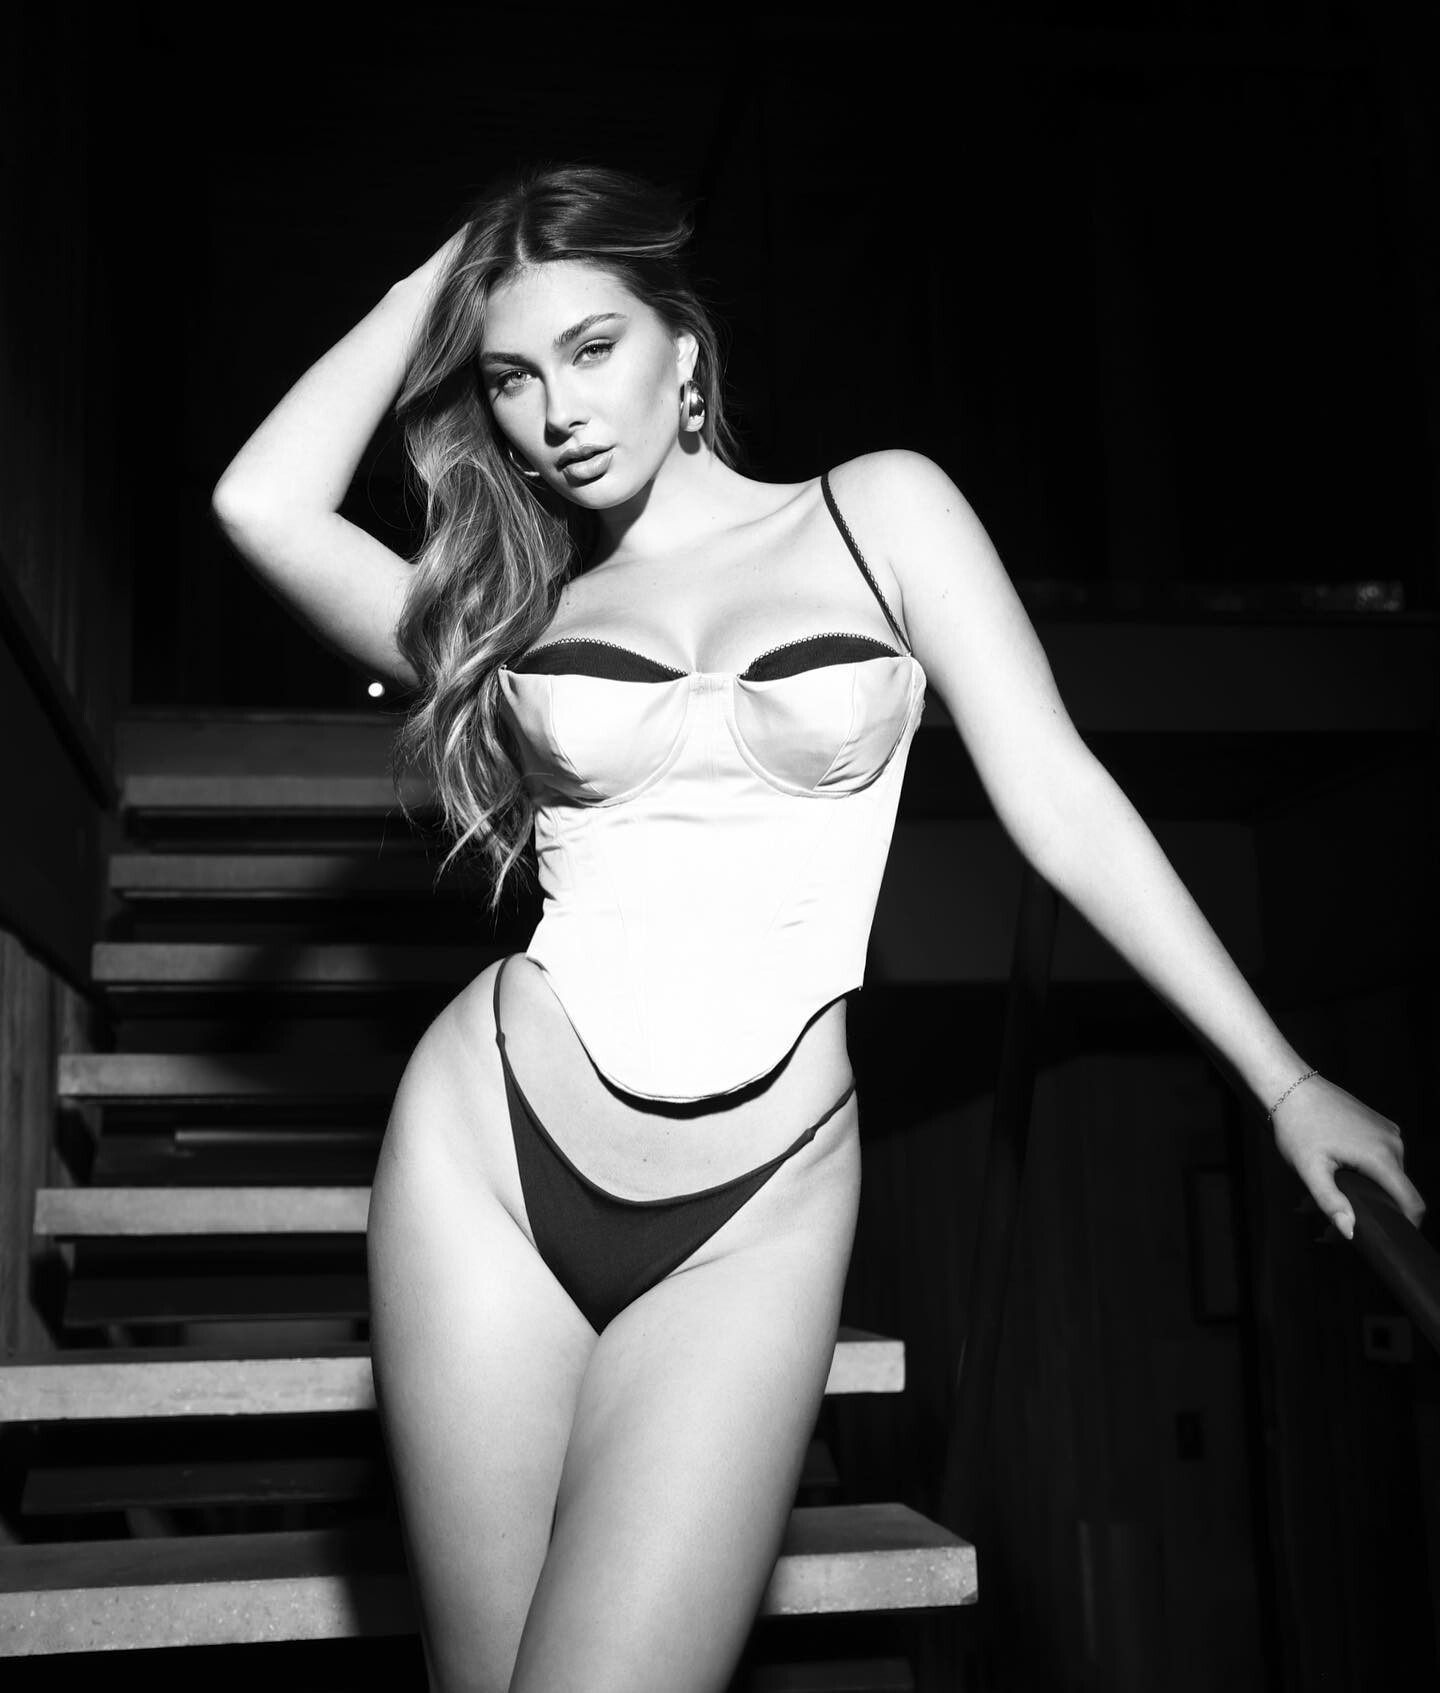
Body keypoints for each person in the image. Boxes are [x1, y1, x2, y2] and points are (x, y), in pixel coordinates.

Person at [211, 163, 1425, 1693]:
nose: (554, 410)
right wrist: (446, 273)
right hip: (491, 1156)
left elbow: (1061, 798)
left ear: (684, 347)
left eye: (592, 346)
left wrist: (1282, 1078)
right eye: (511, 376)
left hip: (755, 1202)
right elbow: (258, 503)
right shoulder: (510, 618)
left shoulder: (878, 511)